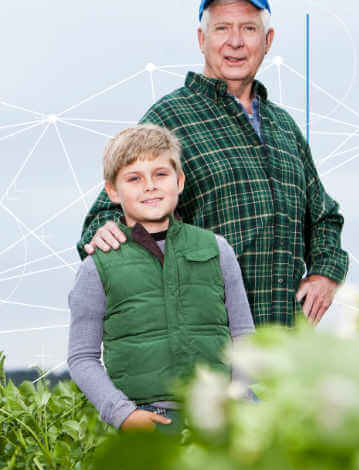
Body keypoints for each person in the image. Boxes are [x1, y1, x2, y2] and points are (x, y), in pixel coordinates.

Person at [78, 0, 348, 327]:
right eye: (222, 28)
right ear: (202, 39)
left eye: (249, 28)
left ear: (267, 41)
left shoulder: (284, 128)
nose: (235, 42)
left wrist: (326, 273)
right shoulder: (168, 120)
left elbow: (324, 216)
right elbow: (104, 217)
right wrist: (103, 233)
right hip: (207, 345)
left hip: (284, 346)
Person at [67, 124, 255, 432]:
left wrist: (238, 398)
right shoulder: (97, 266)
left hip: (218, 416)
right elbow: (82, 357)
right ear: (112, 191)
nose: (150, 186)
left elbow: (244, 336)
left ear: (179, 181)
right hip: (144, 419)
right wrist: (122, 414)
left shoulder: (217, 250)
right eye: (134, 178)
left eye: (160, 174)